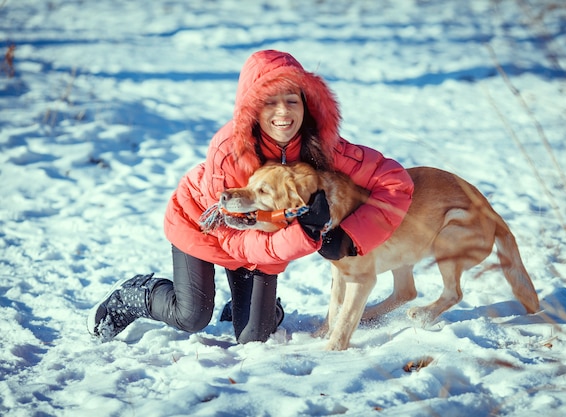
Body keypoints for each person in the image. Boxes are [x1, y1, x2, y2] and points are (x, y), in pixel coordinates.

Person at [88, 50, 414, 344]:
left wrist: (350, 236)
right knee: (192, 316)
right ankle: (132, 295)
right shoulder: (228, 150)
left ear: (307, 104)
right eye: (270, 101)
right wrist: (303, 235)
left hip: (260, 235)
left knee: (255, 337)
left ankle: (255, 305)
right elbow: (231, 240)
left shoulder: (322, 146)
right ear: (252, 108)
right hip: (205, 223)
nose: (283, 112)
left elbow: (395, 183)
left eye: (292, 100)